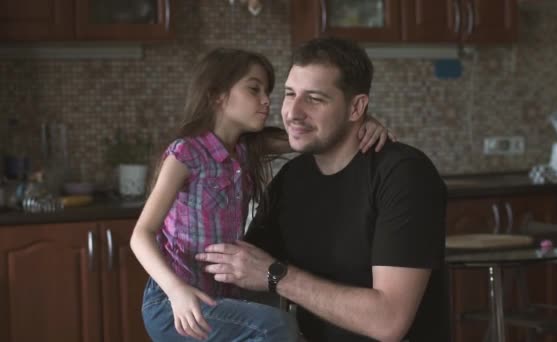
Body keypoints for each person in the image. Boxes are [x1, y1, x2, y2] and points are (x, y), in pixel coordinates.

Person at [130, 47, 393, 342]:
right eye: (254, 89)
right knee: (275, 326)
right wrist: (176, 292)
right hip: (175, 304)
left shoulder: (246, 150)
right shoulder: (185, 153)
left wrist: (361, 123)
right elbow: (141, 233)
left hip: (221, 300)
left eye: (267, 91)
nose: (267, 100)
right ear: (217, 95)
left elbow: (316, 134)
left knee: (284, 312)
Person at [197, 38, 449, 342]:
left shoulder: (403, 175)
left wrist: (276, 275)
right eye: (290, 94)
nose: (293, 112)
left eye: (314, 99)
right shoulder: (291, 180)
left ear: (357, 107)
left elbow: (389, 321)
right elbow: (243, 268)